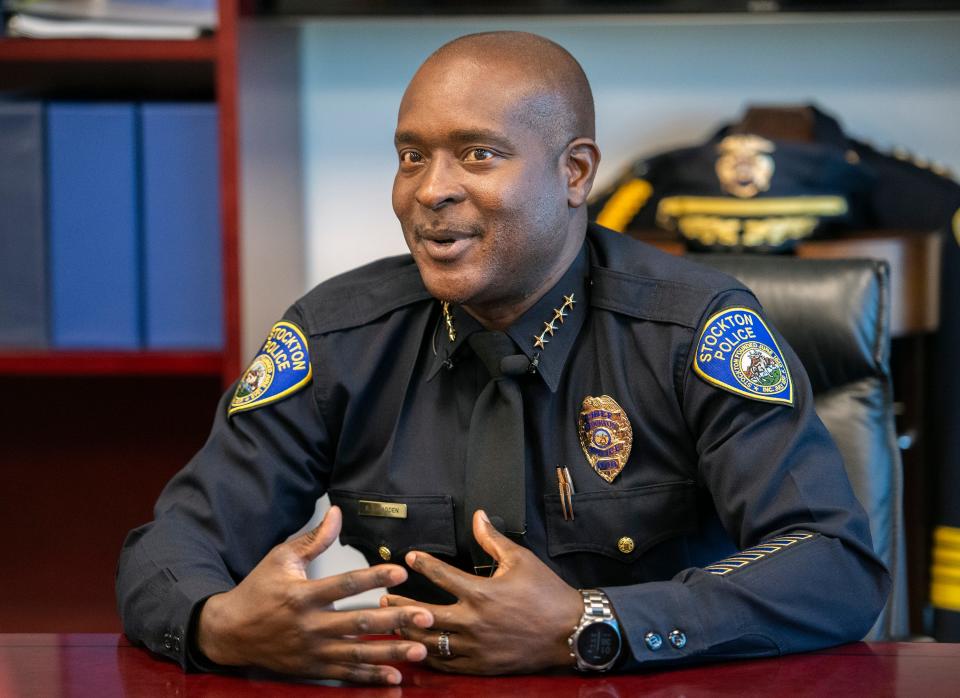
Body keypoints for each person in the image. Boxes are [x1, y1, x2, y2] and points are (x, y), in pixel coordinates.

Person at [116, 31, 890, 684]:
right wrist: (217, 624)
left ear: (575, 173)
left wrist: (593, 624)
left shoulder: (694, 332)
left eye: (478, 155)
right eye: (411, 156)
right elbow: (173, 545)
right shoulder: (338, 338)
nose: (431, 191)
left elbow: (834, 566)